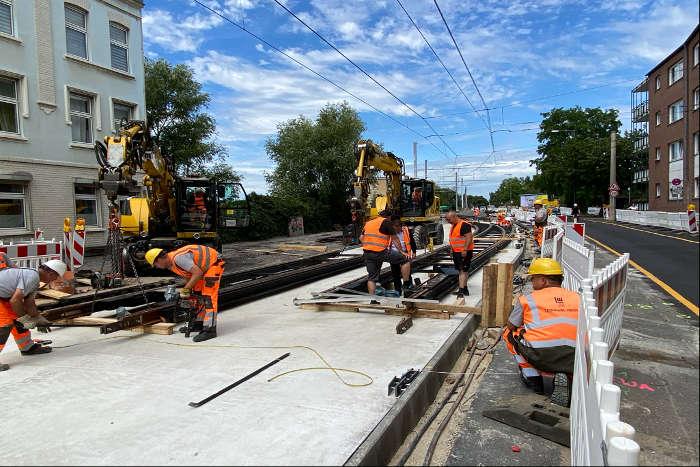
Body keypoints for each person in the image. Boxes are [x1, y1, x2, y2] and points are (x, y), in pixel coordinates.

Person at [503, 258, 579, 406]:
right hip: (575, 356)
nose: (532, 282)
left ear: (543, 281)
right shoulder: (577, 298)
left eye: (533, 278)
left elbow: (511, 325)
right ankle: (567, 375)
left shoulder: (527, 299)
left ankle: (533, 378)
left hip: (542, 355)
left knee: (509, 334)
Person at [145, 244, 225, 342]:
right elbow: (189, 275)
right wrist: (188, 289)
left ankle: (210, 330)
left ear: (158, 260)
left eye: (155, 265)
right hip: (202, 268)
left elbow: (198, 273)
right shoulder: (171, 265)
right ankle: (199, 324)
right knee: (197, 294)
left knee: (208, 297)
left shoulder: (178, 259)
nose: (157, 267)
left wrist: (185, 289)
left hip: (214, 263)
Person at [0, 260, 68, 371]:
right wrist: (25, 319)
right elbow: (15, 301)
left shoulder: (33, 278)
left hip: (3, 297)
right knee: (4, 325)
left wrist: (38, 318)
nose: (54, 280)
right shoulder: (32, 277)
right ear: (51, 273)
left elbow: (29, 303)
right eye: (56, 277)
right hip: (4, 297)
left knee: (17, 321)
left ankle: (27, 347)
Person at [360, 210, 401, 296]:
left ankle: (373, 300)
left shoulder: (369, 223)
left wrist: (369, 244)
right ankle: (408, 285)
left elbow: (361, 238)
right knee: (404, 259)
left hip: (367, 253)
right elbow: (395, 239)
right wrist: (402, 252)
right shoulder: (386, 221)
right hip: (380, 252)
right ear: (388, 217)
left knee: (371, 278)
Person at [446, 211, 474, 298]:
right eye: (447, 220)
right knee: (463, 270)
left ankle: (461, 291)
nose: (448, 221)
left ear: (454, 217)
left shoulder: (464, 225)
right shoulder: (454, 225)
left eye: (449, 219)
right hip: (457, 251)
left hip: (464, 252)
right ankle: (465, 289)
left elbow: (469, 237)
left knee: (462, 270)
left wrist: (465, 249)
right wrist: (452, 249)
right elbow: (454, 239)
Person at [388, 216, 417, 295]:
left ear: (401, 226)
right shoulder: (389, 232)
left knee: (407, 271)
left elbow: (412, 241)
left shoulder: (406, 231)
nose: (397, 229)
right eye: (395, 227)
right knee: (395, 273)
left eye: (398, 226)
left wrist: (414, 252)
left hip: (405, 253)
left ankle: (408, 285)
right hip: (394, 254)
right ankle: (398, 290)